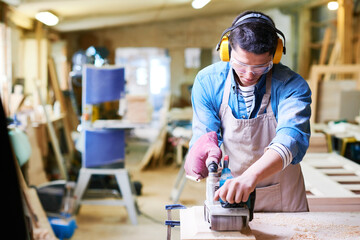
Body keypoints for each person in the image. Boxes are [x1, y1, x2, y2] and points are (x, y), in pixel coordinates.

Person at [184, 10, 311, 212]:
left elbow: (292, 138)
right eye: (241, 65)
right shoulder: (208, 82)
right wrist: (202, 151)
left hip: (283, 195)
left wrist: (250, 177)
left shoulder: (291, 85)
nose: (250, 74)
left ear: (275, 55)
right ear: (226, 51)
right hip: (231, 192)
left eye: (261, 66)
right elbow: (206, 135)